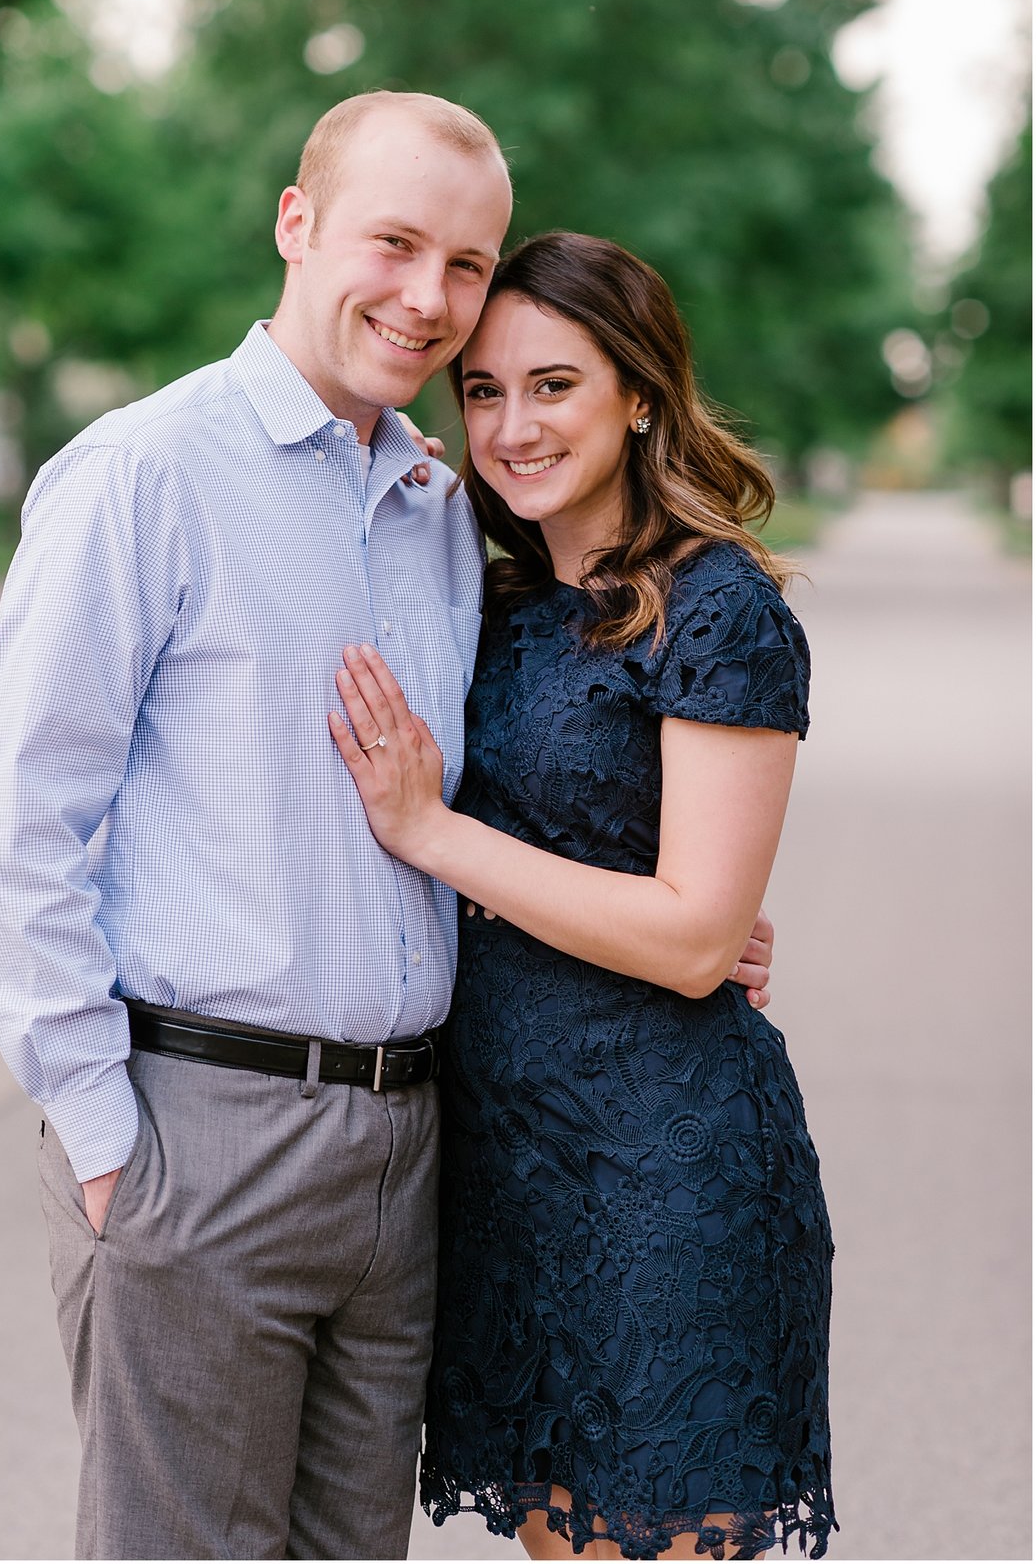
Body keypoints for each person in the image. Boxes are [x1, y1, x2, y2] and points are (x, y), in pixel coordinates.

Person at [0, 92, 776, 1558]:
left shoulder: (445, 515)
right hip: (200, 1134)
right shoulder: (145, 475)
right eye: (395, 243)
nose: (430, 298)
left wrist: (682, 925)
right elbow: (19, 830)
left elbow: (487, 802)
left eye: (467, 265)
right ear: (297, 223)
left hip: (413, 1149)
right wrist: (103, 1145)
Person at [327, 232, 833, 1559]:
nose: (512, 424)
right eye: (483, 391)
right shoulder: (489, 599)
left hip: (660, 1167)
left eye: (553, 385)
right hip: (501, 1160)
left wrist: (432, 833)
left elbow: (692, 938)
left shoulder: (718, 609)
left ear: (642, 393)